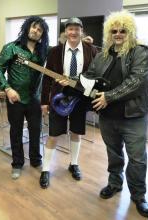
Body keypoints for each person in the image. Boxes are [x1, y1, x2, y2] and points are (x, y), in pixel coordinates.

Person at [83, 10, 148, 218]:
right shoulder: (103, 54)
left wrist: (109, 97)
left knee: (137, 159)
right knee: (113, 153)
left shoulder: (141, 51)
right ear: (109, 32)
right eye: (114, 30)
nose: (118, 34)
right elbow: (90, 76)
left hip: (134, 117)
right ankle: (115, 183)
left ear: (130, 31)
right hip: (107, 116)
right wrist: (73, 81)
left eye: (123, 30)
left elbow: (138, 81)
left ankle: (138, 195)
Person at [40, 17, 97, 188]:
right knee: (53, 134)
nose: (73, 32)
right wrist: (44, 101)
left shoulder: (91, 50)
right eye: (70, 29)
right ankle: (45, 169)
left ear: (82, 31)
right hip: (59, 99)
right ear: (65, 32)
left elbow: (95, 75)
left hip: (80, 99)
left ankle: (74, 164)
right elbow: (47, 78)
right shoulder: (55, 51)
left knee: (76, 132)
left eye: (76, 29)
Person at [0, 16, 49, 179]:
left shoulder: (43, 51)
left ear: (42, 34)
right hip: (15, 99)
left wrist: (85, 41)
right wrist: (7, 88)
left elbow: (60, 51)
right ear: (27, 28)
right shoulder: (11, 48)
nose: (36, 31)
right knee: (16, 131)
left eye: (40, 30)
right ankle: (17, 163)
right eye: (34, 27)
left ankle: (35, 160)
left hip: (35, 98)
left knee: (36, 130)